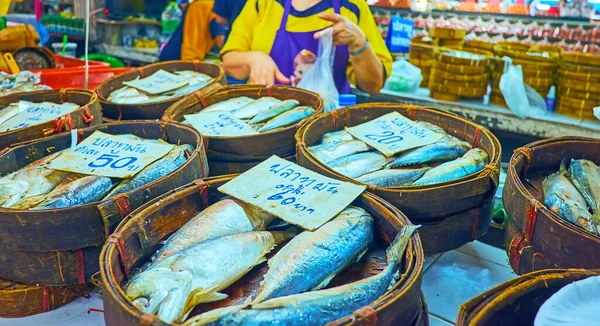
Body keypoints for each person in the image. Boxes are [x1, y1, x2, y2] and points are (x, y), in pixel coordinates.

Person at [220, 0, 392, 94]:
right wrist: (252, 58)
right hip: (265, 125)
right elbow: (229, 61)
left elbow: (373, 85)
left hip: (325, 128)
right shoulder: (262, 3)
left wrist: (359, 44)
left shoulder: (353, 7)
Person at [159, 0, 225, 62]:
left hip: (171, 53)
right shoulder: (216, 8)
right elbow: (221, 42)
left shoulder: (197, 3)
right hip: (186, 60)